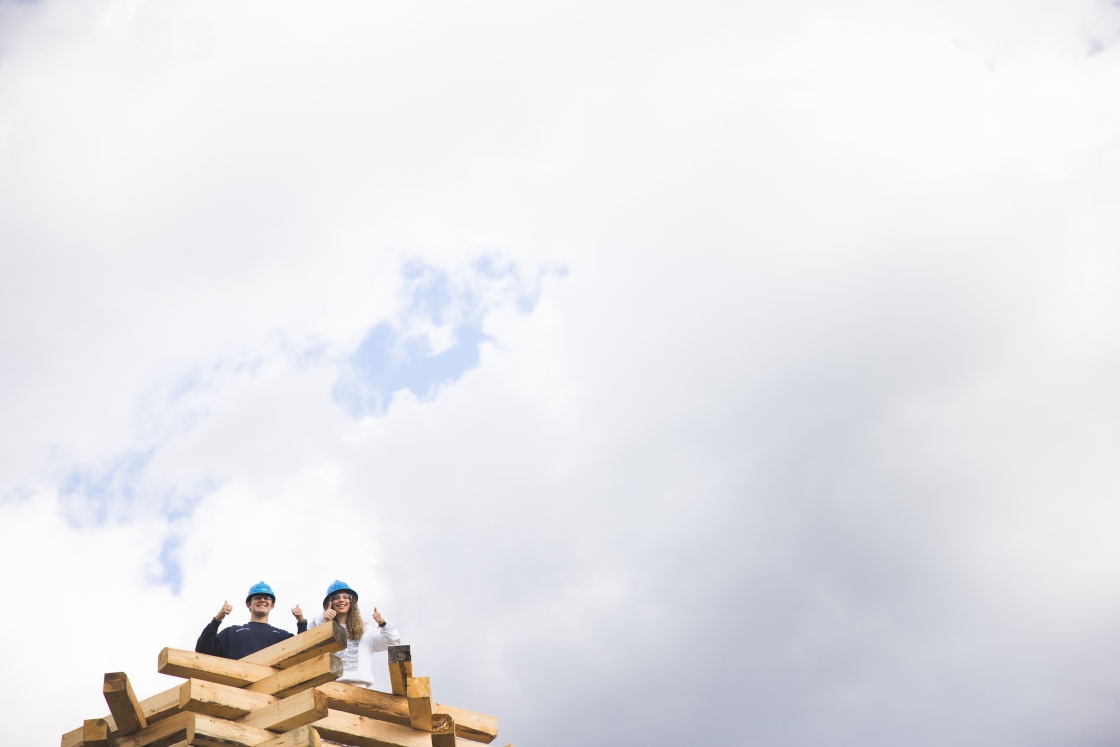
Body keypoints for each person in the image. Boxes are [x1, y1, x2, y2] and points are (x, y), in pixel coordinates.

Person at [305, 580, 401, 689]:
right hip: (330, 688)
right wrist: (323, 618)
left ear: (352, 602)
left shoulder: (366, 631)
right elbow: (308, 640)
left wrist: (383, 623)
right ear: (329, 604)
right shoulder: (322, 630)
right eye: (336, 597)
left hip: (359, 688)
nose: (341, 600)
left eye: (346, 597)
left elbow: (393, 641)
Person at [196, 581, 307, 660]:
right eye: (257, 597)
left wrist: (301, 623)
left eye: (266, 597)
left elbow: (303, 653)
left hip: (272, 690)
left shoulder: (282, 636)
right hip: (236, 690)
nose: (262, 600)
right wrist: (217, 619)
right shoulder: (232, 633)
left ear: (272, 605)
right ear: (248, 604)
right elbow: (203, 649)